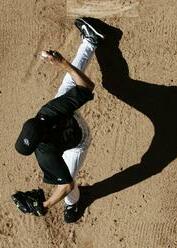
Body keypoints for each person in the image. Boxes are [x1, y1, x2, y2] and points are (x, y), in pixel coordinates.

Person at [13, 17, 104, 223]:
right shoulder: (47, 114)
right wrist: (62, 64)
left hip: (78, 138)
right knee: (69, 80)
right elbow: (84, 87)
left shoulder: (46, 153)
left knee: (68, 184)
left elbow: (66, 185)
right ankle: (90, 40)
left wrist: (43, 206)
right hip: (61, 121)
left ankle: (73, 204)